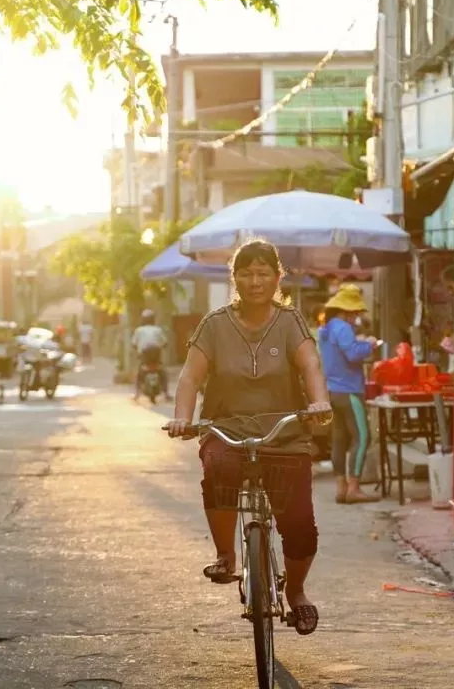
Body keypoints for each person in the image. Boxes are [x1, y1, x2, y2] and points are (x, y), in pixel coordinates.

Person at [165, 239, 332, 636]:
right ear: (234, 277)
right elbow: (190, 377)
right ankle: (227, 555)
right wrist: (182, 419)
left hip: (285, 432)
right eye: (246, 272)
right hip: (228, 429)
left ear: (277, 277)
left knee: (300, 525)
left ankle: (296, 592)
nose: (255, 281)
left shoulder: (290, 322)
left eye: (263, 273)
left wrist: (319, 402)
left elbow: (310, 365)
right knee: (219, 468)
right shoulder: (214, 324)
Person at [317, 285, 379, 504]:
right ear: (346, 311)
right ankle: (354, 487)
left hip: (332, 391)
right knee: (362, 437)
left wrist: (358, 343)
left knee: (339, 440)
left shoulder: (325, 328)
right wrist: (369, 345)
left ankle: (341, 487)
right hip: (349, 390)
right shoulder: (342, 328)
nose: (356, 318)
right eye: (355, 314)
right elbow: (352, 354)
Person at [132, 309, 171, 401]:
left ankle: (137, 394)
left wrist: (137, 350)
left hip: (144, 355)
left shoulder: (139, 330)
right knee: (162, 372)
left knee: (139, 374)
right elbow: (165, 343)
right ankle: (166, 393)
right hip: (156, 354)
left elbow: (133, 344)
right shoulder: (158, 329)